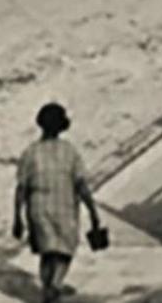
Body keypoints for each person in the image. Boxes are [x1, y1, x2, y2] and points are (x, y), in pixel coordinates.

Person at [13, 103, 102, 303]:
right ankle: (55, 284)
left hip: (38, 209)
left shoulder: (30, 153)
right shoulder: (70, 152)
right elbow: (81, 186)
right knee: (64, 251)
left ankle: (47, 288)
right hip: (65, 209)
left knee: (47, 251)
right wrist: (93, 213)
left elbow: (21, 188)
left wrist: (17, 218)